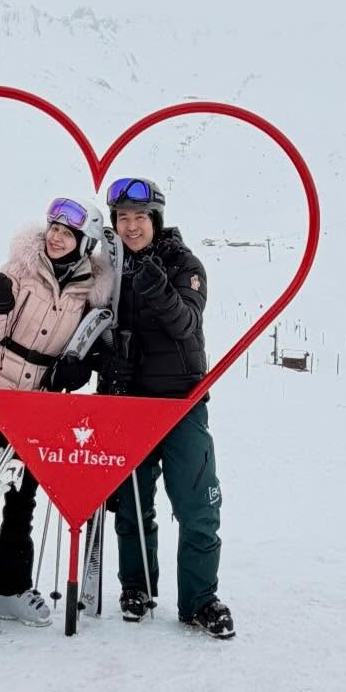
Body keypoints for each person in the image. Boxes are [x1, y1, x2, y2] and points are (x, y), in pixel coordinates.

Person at [0, 198, 110, 636]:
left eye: (67, 233)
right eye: (53, 227)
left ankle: (11, 588)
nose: (56, 236)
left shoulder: (87, 290)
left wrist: (77, 368)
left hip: (39, 402)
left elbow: (84, 343)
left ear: (84, 243)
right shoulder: (20, 269)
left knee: (23, 497)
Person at [101, 177, 233, 638]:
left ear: (155, 220)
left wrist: (157, 287)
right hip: (130, 405)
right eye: (122, 219)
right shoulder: (110, 269)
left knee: (196, 504)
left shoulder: (184, 264)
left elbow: (186, 323)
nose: (131, 227)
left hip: (181, 403)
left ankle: (200, 600)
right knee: (133, 506)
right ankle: (136, 587)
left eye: (139, 218)